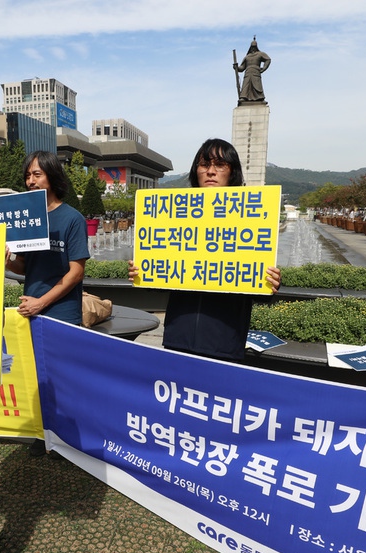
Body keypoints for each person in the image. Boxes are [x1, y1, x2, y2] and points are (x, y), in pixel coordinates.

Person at [129, 138, 281, 361]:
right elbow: (166, 274)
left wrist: (272, 282)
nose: (211, 171)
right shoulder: (175, 217)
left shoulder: (251, 219)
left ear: (232, 172)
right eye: (204, 164)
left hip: (224, 344)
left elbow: (258, 286)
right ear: (196, 171)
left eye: (220, 165)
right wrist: (142, 272)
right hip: (177, 338)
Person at [5, 150, 90, 455]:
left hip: (61, 312)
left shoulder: (72, 218)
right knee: (39, 379)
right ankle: (44, 437)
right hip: (31, 310)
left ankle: (70, 441)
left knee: (63, 380)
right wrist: (9, 258)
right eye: (27, 175)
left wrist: (42, 302)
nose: (30, 181)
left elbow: (76, 272)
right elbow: (24, 268)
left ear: (52, 177)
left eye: (37, 174)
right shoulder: (26, 219)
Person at [235, 37, 271, 104]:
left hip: (256, 72)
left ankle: (260, 98)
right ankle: (243, 97)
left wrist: (264, 68)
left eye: (254, 47)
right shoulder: (247, 57)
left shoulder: (260, 54)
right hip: (248, 72)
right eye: (252, 47)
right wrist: (236, 67)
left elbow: (268, 59)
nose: (253, 48)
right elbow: (242, 67)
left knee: (257, 85)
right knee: (246, 85)